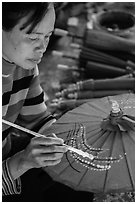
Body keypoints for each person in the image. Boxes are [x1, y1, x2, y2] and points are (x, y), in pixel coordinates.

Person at [2, 2, 94, 201]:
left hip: (7, 152)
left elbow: (37, 119)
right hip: (7, 171)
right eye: (33, 37)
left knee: (78, 181)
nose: (42, 48)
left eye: (48, 36)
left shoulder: (22, 62)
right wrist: (21, 162)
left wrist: (67, 140)